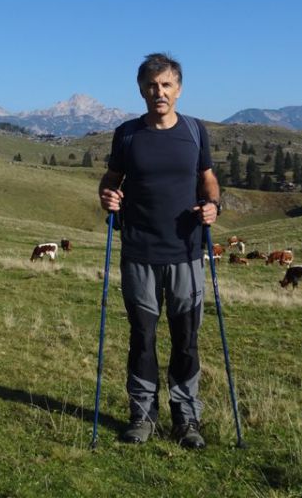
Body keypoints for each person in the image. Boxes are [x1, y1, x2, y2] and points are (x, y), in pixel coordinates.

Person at [98, 52, 221, 449]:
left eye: (166, 85)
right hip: (139, 251)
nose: (159, 92)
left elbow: (208, 179)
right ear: (141, 89)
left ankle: (186, 419)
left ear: (179, 89)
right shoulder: (128, 134)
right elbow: (112, 179)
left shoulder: (196, 131)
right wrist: (108, 197)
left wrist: (213, 205)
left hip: (186, 251)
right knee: (142, 337)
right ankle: (142, 416)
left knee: (186, 338)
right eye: (152, 85)